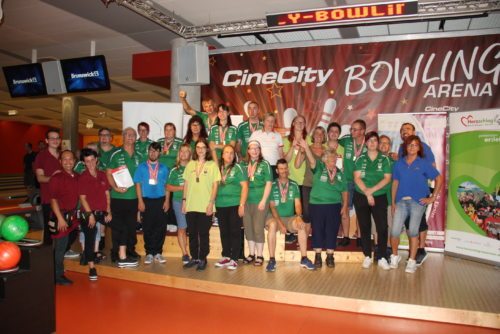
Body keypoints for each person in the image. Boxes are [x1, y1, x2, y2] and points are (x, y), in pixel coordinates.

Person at [390, 135, 442, 274]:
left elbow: (438, 178)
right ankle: (394, 257)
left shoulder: (423, 163)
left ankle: (412, 261)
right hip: (401, 201)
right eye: (409, 145)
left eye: (415, 145)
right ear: (405, 147)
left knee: (413, 231)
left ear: (419, 148)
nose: (412, 147)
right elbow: (395, 182)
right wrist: (393, 202)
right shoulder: (399, 163)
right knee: (394, 231)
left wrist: (432, 197)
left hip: (417, 202)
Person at [301, 142, 348, 269]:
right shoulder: (319, 168)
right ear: (325, 160)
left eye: (334, 160)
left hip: (334, 205)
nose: (333, 162)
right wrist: (306, 148)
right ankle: (317, 255)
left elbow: (344, 190)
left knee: (332, 230)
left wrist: (344, 206)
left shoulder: (339, 173)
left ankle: (330, 255)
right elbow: (311, 160)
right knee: (317, 229)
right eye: (330, 160)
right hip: (317, 205)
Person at [265, 159, 315, 272]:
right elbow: (272, 207)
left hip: (289, 217)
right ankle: (272, 259)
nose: (284, 171)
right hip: (274, 217)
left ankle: (304, 258)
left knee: (301, 224)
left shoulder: (294, 184)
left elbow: (297, 204)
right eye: (281, 169)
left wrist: (298, 216)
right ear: (277, 171)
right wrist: (280, 224)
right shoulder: (272, 185)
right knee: (273, 225)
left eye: (285, 168)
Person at [353, 132, 392, 270]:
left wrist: (372, 191)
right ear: (366, 143)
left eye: (375, 140)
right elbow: (357, 178)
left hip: (380, 196)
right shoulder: (360, 159)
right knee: (364, 227)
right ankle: (367, 256)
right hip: (361, 195)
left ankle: (381, 257)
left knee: (382, 227)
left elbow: (387, 178)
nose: (373, 143)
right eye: (370, 140)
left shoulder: (384, 159)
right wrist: (367, 193)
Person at [106, 127, 144, 268]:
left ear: (136, 138)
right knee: (118, 227)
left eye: (133, 135)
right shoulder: (115, 154)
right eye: (128, 135)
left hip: (133, 197)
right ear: (123, 137)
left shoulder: (140, 155)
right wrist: (115, 187)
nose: (130, 137)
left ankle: (130, 251)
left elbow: (142, 177)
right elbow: (109, 173)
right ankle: (116, 252)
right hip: (118, 196)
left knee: (131, 227)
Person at [182, 138, 221, 271]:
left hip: (206, 205)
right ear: (195, 149)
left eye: (203, 147)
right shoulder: (190, 165)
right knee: (192, 233)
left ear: (207, 150)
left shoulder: (212, 166)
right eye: (198, 147)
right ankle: (194, 257)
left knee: (203, 233)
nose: (200, 150)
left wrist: (211, 203)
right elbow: (186, 184)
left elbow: (215, 185)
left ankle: (203, 258)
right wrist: (184, 201)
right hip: (191, 205)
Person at [78, 148, 112, 281]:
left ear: (96, 160)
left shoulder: (102, 175)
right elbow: (82, 198)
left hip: (102, 211)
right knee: (90, 237)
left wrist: (109, 210)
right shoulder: (83, 178)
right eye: (87, 161)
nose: (91, 163)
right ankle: (91, 266)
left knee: (118, 226)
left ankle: (119, 254)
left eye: (93, 160)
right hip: (88, 212)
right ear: (84, 162)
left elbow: (107, 194)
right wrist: (90, 215)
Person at [134, 142, 170, 265]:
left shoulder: (164, 168)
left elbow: (167, 186)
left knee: (160, 227)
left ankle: (158, 253)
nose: (153, 153)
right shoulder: (142, 167)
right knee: (147, 226)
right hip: (146, 200)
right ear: (148, 152)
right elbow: (137, 184)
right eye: (151, 150)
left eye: (155, 151)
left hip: (160, 200)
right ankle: (149, 253)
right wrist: (140, 201)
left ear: (159, 152)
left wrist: (167, 201)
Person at [214, 145, 248, 270]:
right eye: (227, 152)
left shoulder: (238, 167)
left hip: (234, 204)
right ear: (222, 155)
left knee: (235, 231)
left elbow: (245, 187)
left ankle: (234, 258)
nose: (229, 155)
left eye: (232, 153)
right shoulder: (217, 168)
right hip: (220, 205)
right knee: (224, 232)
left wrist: (242, 204)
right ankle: (226, 256)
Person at [48, 150, 79, 285]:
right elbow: (53, 200)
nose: (68, 162)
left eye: (70, 159)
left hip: (72, 217)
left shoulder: (77, 176)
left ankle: (54, 268)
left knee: (68, 241)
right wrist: (60, 218)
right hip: (60, 216)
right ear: (60, 162)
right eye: (64, 159)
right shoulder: (57, 178)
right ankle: (57, 275)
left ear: (74, 161)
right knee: (60, 247)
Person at [239, 140, 272, 266]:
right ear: (247, 150)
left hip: (260, 200)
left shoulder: (265, 164)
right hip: (247, 200)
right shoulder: (243, 164)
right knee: (248, 228)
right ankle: (251, 254)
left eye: (257, 148)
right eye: (252, 148)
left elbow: (269, 183)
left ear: (260, 150)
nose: (254, 150)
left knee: (258, 228)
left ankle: (260, 255)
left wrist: (264, 200)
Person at [339, 119, 366, 247]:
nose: (352, 131)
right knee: (345, 209)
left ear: (362, 131)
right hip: (347, 181)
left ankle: (360, 237)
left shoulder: (369, 143)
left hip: (362, 182)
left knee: (361, 210)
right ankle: (345, 236)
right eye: (351, 129)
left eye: (355, 129)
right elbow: (333, 142)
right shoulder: (347, 140)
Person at [34, 129, 62, 245]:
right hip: (48, 198)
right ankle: (48, 256)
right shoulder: (41, 156)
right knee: (50, 229)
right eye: (52, 138)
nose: (55, 140)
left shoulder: (63, 155)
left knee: (65, 227)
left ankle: (63, 250)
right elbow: (40, 178)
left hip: (64, 198)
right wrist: (53, 178)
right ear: (46, 140)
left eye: (57, 138)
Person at [295, 126, 326, 228]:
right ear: (313, 136)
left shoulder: (327, 151)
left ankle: (319, 237)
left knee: (321, 213)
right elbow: (297, 165)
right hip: (308, 185)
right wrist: (301, 150)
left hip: (322, 186)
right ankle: (306, 238)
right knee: (307, 214)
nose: (319, 135)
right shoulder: (307, 148)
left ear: (324, 136)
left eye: (321, 134)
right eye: (317, 133)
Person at [166, 144, 192, 264]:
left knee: (193, 228)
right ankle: (185, 253)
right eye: (181, 151)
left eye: (186, 151)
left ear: (190, 154)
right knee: (182, 228)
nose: (183, 154)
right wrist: (182, 188)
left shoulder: (194, 168)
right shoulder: (174, 169)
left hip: (193, 202)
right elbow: (168, 186)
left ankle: (194, 253)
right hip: (178, 201)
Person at [249, 112, 284, 179]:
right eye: (268, 120)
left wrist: (282, 168)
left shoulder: (278, 135)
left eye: (272, 121)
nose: (270, 123)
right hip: (259, 165)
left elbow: (281, 154)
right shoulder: (255, 134)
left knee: (273, 188)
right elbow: (250, 151)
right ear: (263, 121)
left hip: (274, 166)